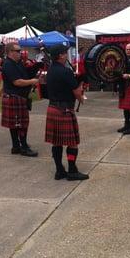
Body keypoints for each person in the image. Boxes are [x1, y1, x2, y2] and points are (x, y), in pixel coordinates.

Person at [45, 43, 89, 181]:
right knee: (72, 142)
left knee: (56, 142)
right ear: (60, 55)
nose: (66, 55)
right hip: (64, 110)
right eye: (65, 53)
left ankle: (59, 170)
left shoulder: (51, 69)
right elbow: (76, 91)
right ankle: (72, 170)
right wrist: (81, 98)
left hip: (53, 108)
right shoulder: (66, 71)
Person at [1, 42, 40, 157]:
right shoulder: (8, 64)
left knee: (16, 124)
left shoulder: (17, 63)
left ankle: (16, 146)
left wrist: (36, 67)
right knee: (22, 124)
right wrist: (33, 81)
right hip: (14, 97)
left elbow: (25, 75)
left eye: (20, 50)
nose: (20, 53)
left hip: (18, 97)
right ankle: (23, 147)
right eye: (17, 51)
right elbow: (17, 82)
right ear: (10, 52)